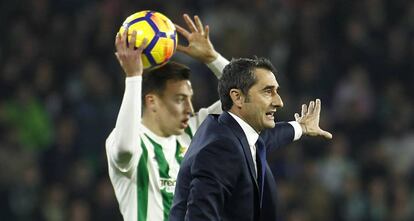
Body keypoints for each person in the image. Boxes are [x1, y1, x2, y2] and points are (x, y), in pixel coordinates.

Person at [169, 57, 333, 221]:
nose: (279, 102)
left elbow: (267, 139)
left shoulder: (229, 131)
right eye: (268, 91)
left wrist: (301, 127)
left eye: (276, 91)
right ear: (238, 97)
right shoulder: (221, 149)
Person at [105, 14, 229, 221]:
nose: (190, 109)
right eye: (180, 99)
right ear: (152, 101)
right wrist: (134, 77)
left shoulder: (194, 130)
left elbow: (253, 98)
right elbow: (126, 149)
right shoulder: (128, 140)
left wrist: (212, 59)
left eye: (190, 99)